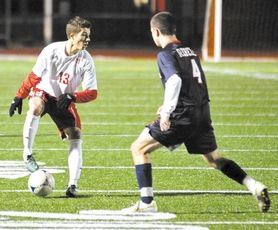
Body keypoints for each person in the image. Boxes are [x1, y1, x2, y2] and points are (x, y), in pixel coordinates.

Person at [122, 12, 270, 213]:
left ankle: (147, 203)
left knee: (139, 148)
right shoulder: (189, 50)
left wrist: (166, 112)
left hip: (182, 116)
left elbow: (175, 81)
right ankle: (254, 185)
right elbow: (190, 84)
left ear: (156, 31)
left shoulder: (165, 54)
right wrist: (168, 105)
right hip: (201, 112)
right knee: (213, 159)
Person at [9, 16, 97, 198]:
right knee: (35, 106)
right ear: (72, 36)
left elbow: (92, 92)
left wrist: (73, 96)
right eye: (84, 35)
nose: (87, 39)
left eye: (88, 36)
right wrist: (19, 96)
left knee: (76, 134)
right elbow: (34, 76)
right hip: (43, 92)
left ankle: (73, 185)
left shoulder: (86, 60)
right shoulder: (51, 51)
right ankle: (27, 155)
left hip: (64, 100)